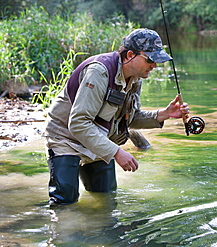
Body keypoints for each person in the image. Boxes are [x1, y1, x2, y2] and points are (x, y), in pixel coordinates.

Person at [44, 28, 189, 205]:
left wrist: (164, 114)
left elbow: (129, 118)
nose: (154, 66)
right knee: (65, 201)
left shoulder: (135, 79)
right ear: (130, 55)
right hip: (66, 138)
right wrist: (116, 152)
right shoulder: (99, 72)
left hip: (97, 139)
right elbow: (79, 124)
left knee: (106, 198)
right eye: (150, 60)